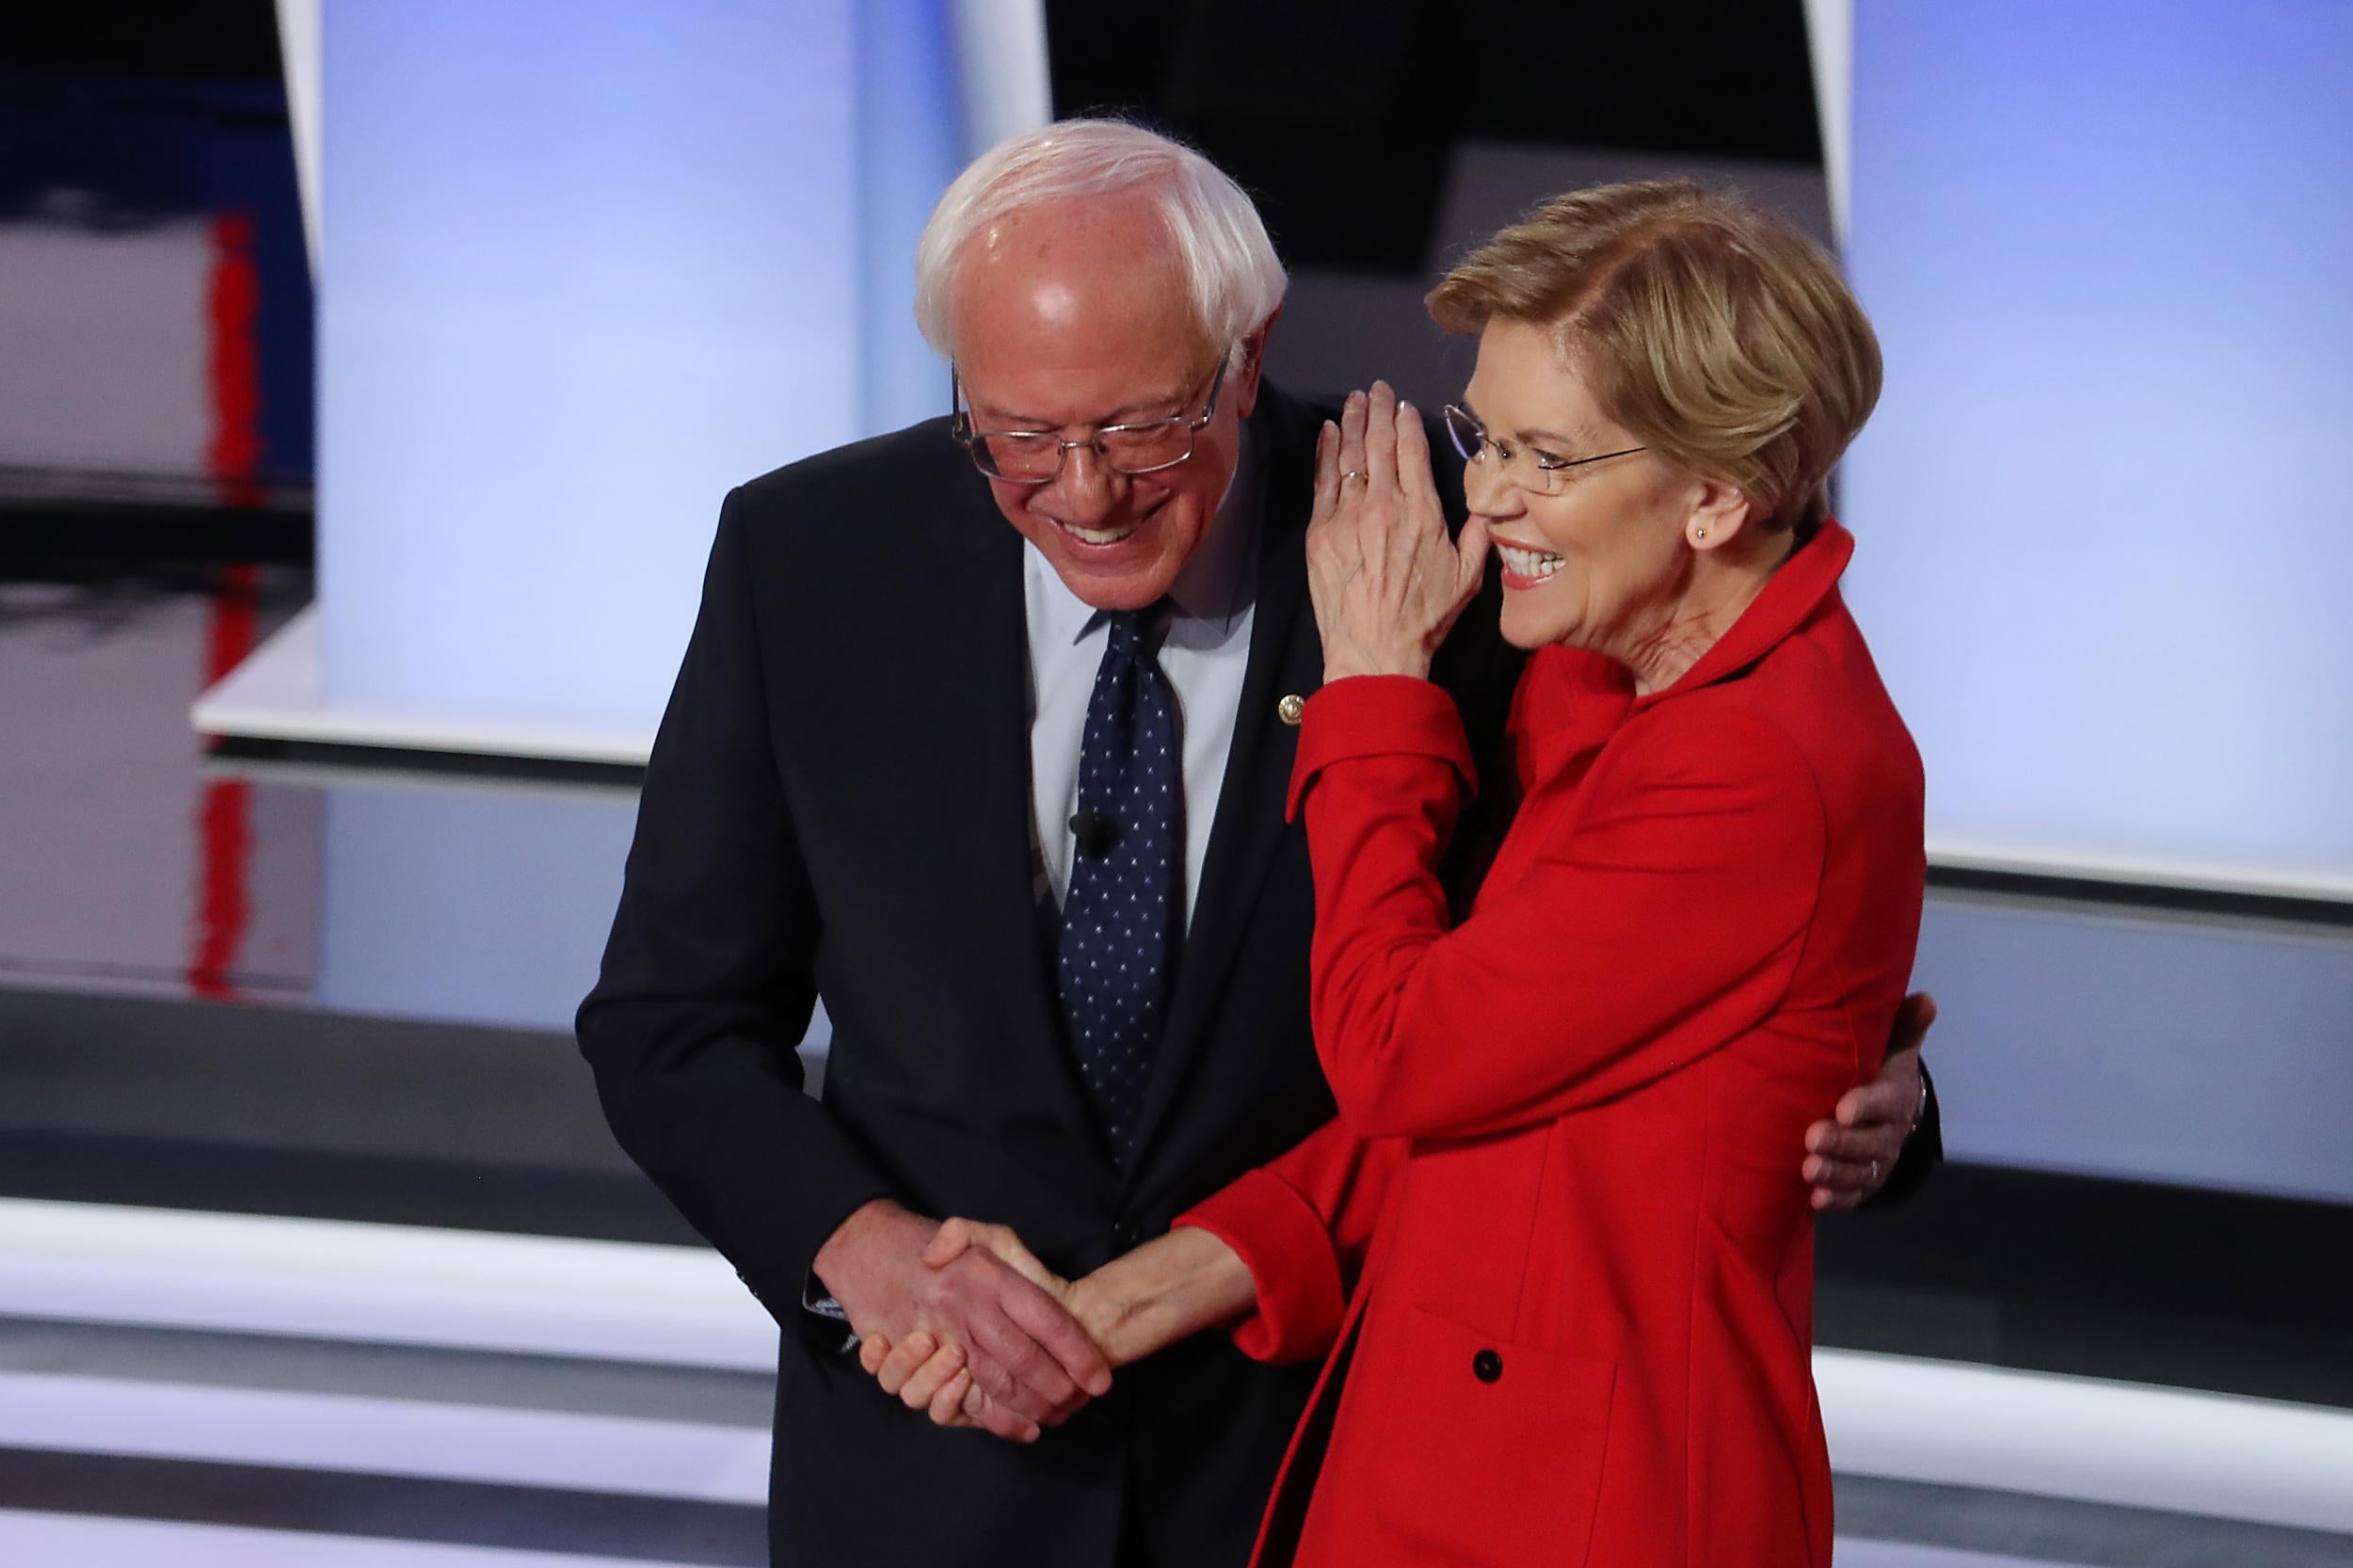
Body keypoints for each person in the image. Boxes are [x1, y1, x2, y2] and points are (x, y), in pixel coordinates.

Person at [579, 123, 1934, 1568]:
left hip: (1305, 1461)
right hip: (931, 1471)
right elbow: (668, 1022)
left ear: (1247, 347)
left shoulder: (1468, 566)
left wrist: (1861, 1083)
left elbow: (1604, 966)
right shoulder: (813, 556)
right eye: (1021, 434)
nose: (1085, 489)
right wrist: (861, 1252)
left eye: (1142, 425)